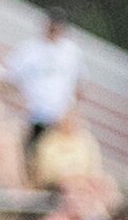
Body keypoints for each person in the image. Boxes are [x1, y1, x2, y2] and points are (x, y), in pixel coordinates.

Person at [6, 9, 84, 149]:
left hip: (59, 119)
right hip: (32, 116)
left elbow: (79, 87)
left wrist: (72, 112)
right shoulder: (29, 49)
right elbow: (10, 80)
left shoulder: (72, 53)